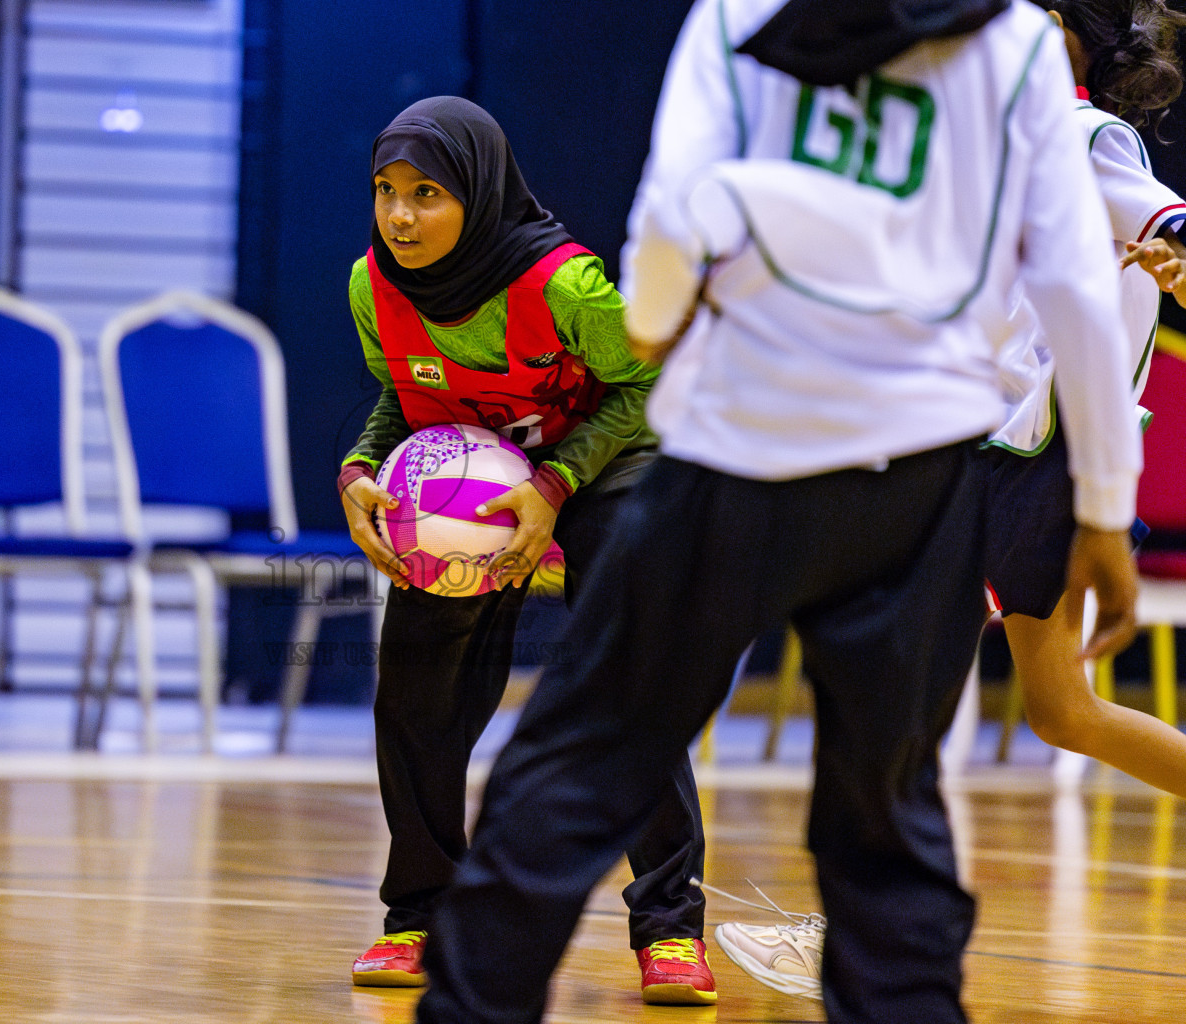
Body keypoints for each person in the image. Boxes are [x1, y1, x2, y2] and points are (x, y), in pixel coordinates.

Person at [412, 1, 1142, 1022]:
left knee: (577, 766)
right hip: (918, 477)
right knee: (889, 822)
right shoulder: (1015, 41)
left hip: (735, 449)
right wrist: (1104, 505)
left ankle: (470, 1006)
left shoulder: (735, 16)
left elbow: (672, 215)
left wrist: (657, 318)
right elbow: (1076, 287)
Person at [713, 0, 1186, 1002]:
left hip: (1028, 467)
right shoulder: (992, 139)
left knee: (895, 698)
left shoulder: (1080, 132)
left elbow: (1160, 216)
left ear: (1060, 32)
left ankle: (856, 935)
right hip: (1012, 462)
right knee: (1063, 711)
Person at [337, 96, 717, 1004]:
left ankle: (670, 927)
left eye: (426, 193)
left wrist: (554, 486)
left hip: (614, 456)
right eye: (386, 191)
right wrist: (359, 468)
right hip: (478, 472)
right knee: (418, 678)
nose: (399, 215)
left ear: (477, 191)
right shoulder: (371, 285)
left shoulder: (563, 286)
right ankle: (418, 912)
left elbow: (651, 385)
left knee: (626, 668)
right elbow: (407, 398)